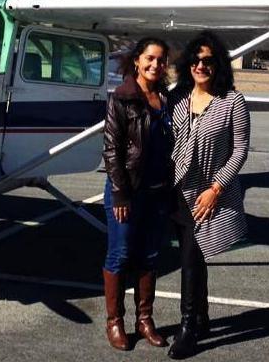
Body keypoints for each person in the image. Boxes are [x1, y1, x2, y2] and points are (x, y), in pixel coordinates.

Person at [167, 31, 250, 359]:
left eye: (209, 61)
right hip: (178, 191)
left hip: (207, 195)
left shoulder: (232, 101)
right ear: (189, 63)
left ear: (218, 65)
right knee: (192, 256)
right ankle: (202, 318)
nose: (201, 66)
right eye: (197, 60)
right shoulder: (178, 97)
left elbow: (240, 149)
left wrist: (216, 188)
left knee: (191, 258)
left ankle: (188, 327)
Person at [101, 37, 172, 351]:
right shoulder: (122, 97)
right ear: (137, 61)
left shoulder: (166, 99)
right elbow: (111, 149)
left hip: (157, 192)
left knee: (151, 256)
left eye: (161, 60)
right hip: (127, 190)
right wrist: (120, 194)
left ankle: (145, 320)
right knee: (120, 254)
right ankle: (114, 322)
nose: (155, 65)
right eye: (150, 58)